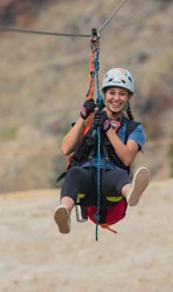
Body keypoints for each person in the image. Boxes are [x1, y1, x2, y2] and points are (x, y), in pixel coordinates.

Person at [54, 68, 149, 234]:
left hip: (110, 187)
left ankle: (131, 192)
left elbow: (127, 159)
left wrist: (108, 129)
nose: (116, 98)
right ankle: (65, 211)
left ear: (128, 98)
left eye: (122, 94)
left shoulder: (134, 128)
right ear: (105, 95)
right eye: (112, 93)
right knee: (74, 174)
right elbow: (65, 148)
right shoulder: (89, 120)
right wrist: (83, 117)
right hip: (86, 181)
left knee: (119, 174)